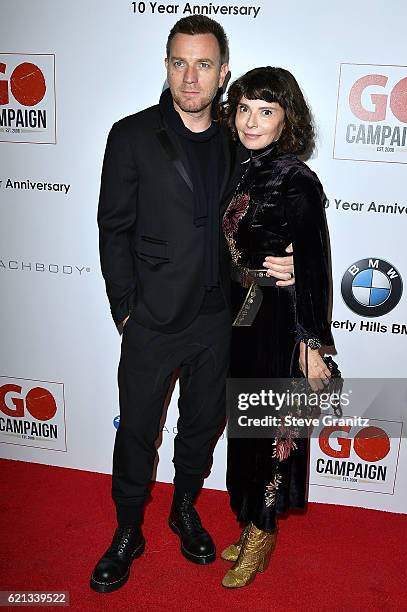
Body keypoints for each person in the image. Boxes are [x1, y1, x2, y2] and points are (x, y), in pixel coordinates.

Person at [91, 17, 294, 593]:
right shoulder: (130, 135)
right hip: (152, 317)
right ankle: (127, 531)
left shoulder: (241, 140)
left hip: (222, 317)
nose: (190, 76)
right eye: (179, 63)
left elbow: (274, 209)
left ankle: (184, 507)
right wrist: (126, 308)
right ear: (166, 65)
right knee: (136, 430)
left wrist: (296, 257)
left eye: (203, 64)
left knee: (202, 426)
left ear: (222, 72)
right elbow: (114, 228)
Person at [219, 66, 335, 588]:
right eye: (244, 107)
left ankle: (262, 538)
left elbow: (315, 265)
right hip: (245, 318)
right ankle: (247, 525)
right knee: (246, 431)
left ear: (287, 119)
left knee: (273, 435)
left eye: (266, 111)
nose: (251, 120)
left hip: (282, 326)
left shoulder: (296, 179)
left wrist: (312, 343)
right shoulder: (241, 168)